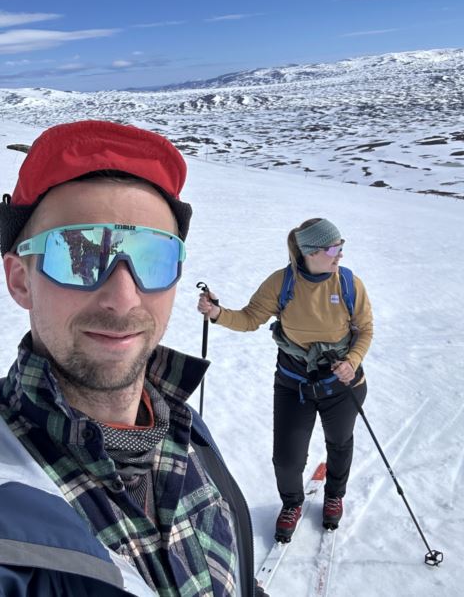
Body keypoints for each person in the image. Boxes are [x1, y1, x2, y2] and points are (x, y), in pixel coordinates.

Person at [0, 120, 267, 597]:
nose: (123, 299)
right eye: (78, 254)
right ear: (21, 280)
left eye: (152, 258)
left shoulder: (188, 431)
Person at [198, 218, 373, 542]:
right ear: (310, 252)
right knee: (286, 459)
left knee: (339, 443)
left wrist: (352, 362)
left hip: (341, 384)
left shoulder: (349, 284)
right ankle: (292, 503)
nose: (340, 255)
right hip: (295, 384)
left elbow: (364, 330)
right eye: (333, 249)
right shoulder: (282, 283)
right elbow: (250, 318)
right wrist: (218, 314)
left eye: (341, 247)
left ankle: (334, 495)